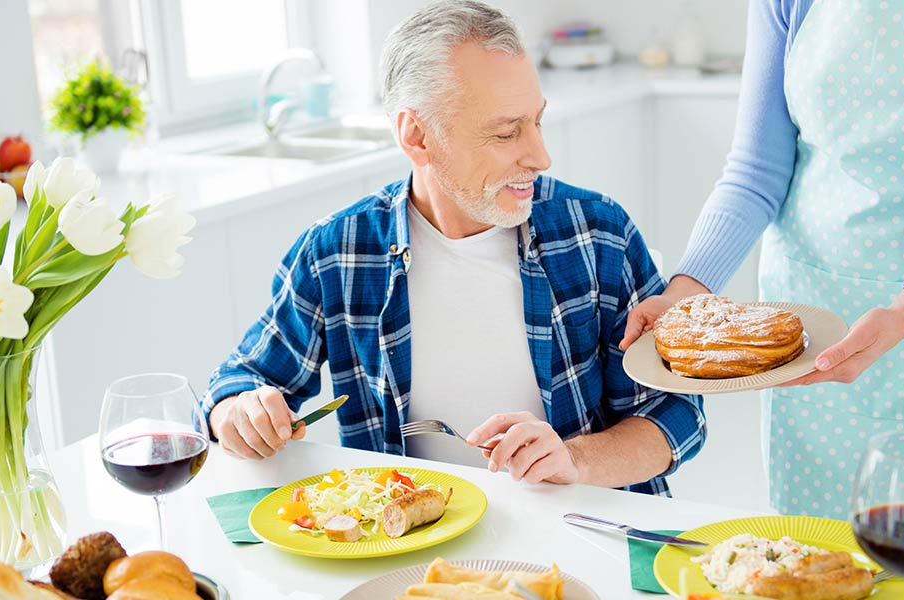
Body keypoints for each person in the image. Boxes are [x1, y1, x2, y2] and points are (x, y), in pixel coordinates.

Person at [202, 0, 706, 495]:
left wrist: (574, 459)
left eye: (537, 121)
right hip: (410, 551)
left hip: (581, 533)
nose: (541, 155)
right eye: (507, 132)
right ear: (418, 136)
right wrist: (241, 414)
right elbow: (237, 383)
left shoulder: (598, 233)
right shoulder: (337, 253)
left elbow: (678, 413)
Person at [621, 0, 904, 545]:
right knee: (815, 551)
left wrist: (902, 314)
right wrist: (685, 292)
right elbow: (756, 170)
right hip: (816, 323)